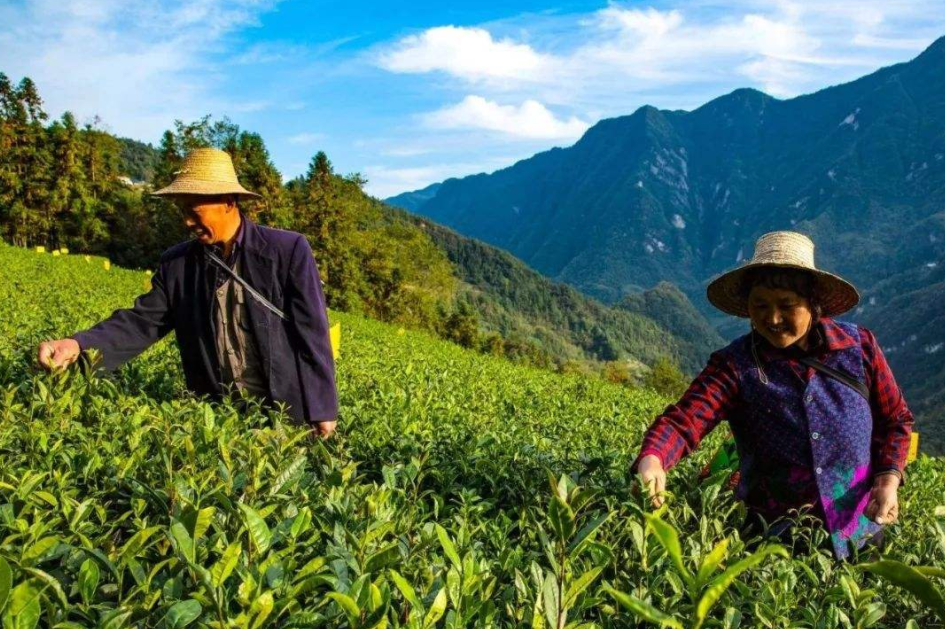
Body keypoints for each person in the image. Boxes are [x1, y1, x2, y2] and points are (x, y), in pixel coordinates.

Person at [630, 231, 914, 560]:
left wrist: (887, 479)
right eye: (760, 305)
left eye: (787, 306)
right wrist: (653, 460)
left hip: (860, 533)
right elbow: (684, 422)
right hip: (773, 544)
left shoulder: (859, 348)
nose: (773, 318)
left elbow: (895, 420)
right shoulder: (734, 367)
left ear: (813, 305)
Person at [36, 148, 338, 438]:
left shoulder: (286, 251)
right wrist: (79, 344)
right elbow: (141, 322)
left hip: (286, 414)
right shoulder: (177, 264)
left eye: (194, 211)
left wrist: (323, 407)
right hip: (220, 423)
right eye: (182, 211)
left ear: (229, 201)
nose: (187, 222)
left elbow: (312, 331)